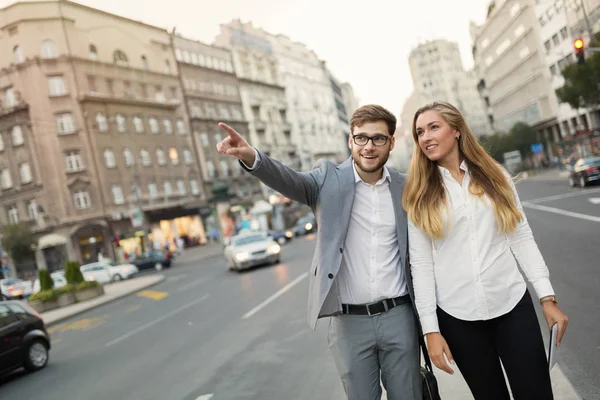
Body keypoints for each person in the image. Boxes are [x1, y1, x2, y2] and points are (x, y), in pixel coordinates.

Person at [216, 105, 422, 400]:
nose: (368, 146)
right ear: (350, 141)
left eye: (378, 139)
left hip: (399, 315)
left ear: (391, 142)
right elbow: (289, 180)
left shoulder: (405, 187)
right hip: (350, 322)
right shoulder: (327, 179)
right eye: (361, 138)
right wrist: (252, 157)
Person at [403, 101, 568, 400]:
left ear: (456, 130)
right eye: (419, 132)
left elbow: (521, 238)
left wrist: (547, 297)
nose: (425, 137)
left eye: (433, 127)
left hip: (511, 304)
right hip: (458, 316)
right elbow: (421, 266)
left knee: (537, 393)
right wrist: (431, 331)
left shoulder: (495, 177)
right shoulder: (419, 195)